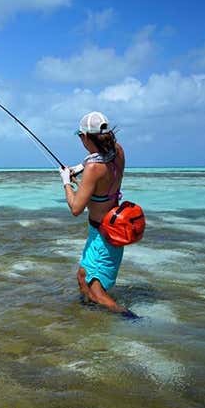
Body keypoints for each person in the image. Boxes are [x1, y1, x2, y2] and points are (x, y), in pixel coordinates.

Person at [59, 112, 135, 317]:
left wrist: (66, 181)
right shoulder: (118, 152)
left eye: (80, 136)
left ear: (85, 137)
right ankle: (91, 319)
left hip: (103, 235)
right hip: (112, 230)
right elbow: (99, 160)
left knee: (96, 293)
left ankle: (131, 319)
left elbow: (76, 208)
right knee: (83, 276)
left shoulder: (94, 168)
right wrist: (78, 168)